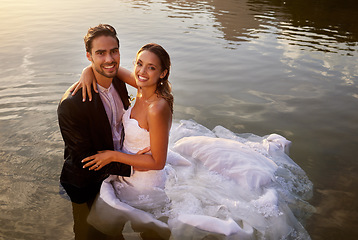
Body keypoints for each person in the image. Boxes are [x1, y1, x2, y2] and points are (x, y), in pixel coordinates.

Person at [74, 45, 315, 239]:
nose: (141, 71)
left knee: (151, 231)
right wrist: (87, 71)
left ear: (163, 73)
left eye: (151, 67)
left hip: (145, 183)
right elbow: (111, 69)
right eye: (139, 64)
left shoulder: (157, 108)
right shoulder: (140, 85)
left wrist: (112, 155)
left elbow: (158, 162)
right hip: (128, 170)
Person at [57, 24, 147, 240]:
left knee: (116, 234)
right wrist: (137, 164)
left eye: (113, 51)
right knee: (91, 234)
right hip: (88, 184)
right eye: (100, 53)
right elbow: (85, 160)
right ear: (88, 55)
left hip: (119, 174)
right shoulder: (71, 104)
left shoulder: (118, 79)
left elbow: (153, 84)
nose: (109, 59)